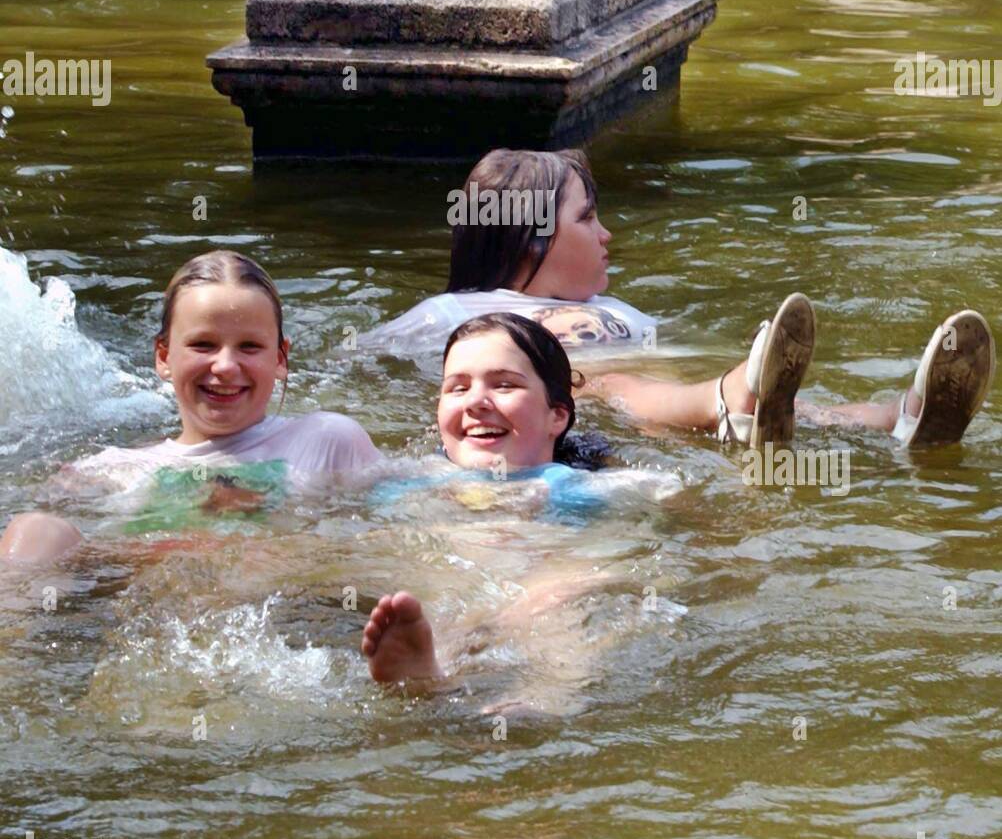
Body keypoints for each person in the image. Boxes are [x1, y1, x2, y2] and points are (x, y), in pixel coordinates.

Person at [374, 148, 995, 448]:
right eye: (587, 218)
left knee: (784, 401)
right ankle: (732, 398)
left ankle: (899, 416)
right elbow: (365, 360)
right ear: (530, 239)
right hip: (585, 402)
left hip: (667, 398)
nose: (606, 234)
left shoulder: (620, 313)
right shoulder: (457, 313)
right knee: (609, 385)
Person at [0, 251, 381, 567]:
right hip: (136, 601)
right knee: (35, 530)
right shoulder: (111, 471)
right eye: (203, 345)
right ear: (164, 356)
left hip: (271, 601)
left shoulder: (323, 440)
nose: (226, 366)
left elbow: (401, 518)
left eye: (249, 346)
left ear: (280, 359)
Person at [362, 313, 626, 687]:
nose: (476, 402)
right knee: (436, 592)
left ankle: (544, 696)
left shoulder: (569, 486)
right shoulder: (412, 481)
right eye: (457, 388)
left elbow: (631, 522)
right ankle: (429, 669)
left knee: (557, 603)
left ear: (556, 417)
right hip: (455, 581)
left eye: (504, 385)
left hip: (541, 582)